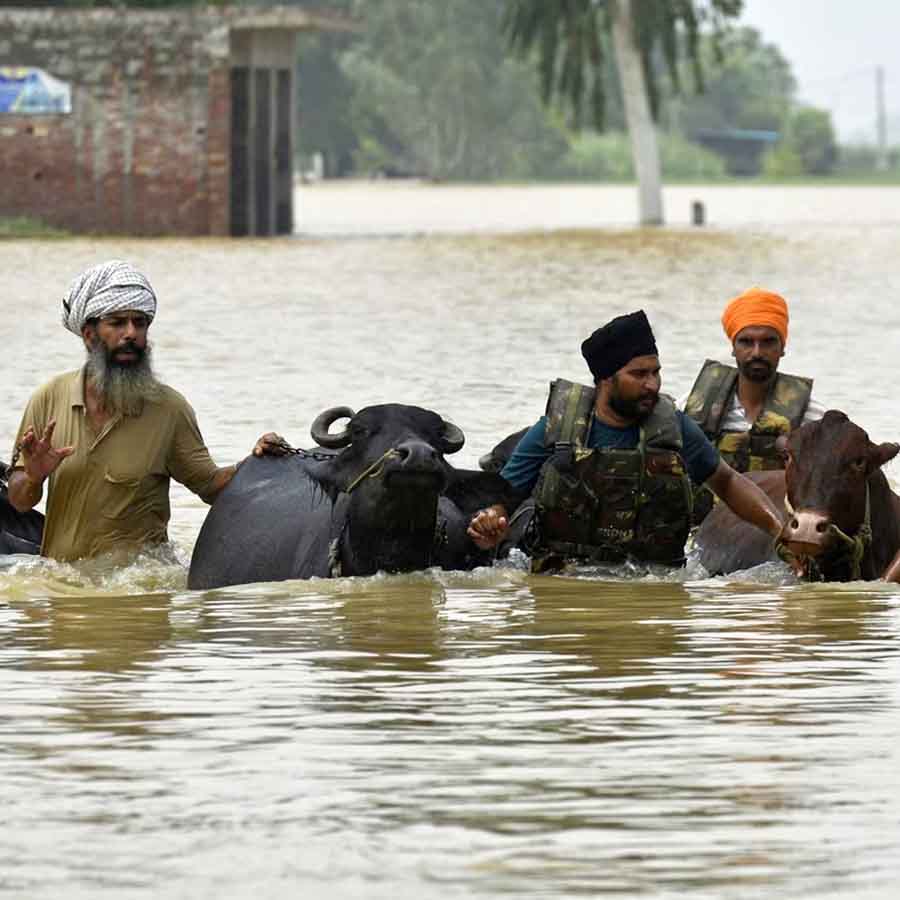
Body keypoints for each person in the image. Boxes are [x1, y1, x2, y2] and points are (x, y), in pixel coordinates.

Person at [8, 260, 288, 562]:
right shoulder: (48, 399)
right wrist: (34, 477)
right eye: (117, 323)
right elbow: (20, 502)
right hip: (63, 592)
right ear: (89, 335)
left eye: (140, 323)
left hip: (142, 593)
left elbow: (213, 488)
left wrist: (259, 462)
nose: (131, 333)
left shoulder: (169, 409)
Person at [467, 310, 785, 572]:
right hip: (566, 578)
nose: (652, 385)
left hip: (653, 577)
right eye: (639, 374)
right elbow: (502, 496)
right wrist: (489, 521)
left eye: (655, 372)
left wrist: (779, 530)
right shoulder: (557, 428)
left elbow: (728, 482)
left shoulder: (673, 426)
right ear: (606, 378)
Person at [681, 287, 824, 522]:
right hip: (700, 532)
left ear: (782, 348)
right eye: (746, 342)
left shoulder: (812, 416)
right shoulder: (693, 406)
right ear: (733, 347)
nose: (757, 352)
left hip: (770, 536)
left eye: (768, 342)